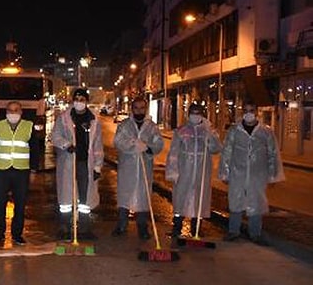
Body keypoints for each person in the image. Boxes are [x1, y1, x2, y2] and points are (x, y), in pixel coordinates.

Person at [218, 100, 284, 246]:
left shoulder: (266, 132)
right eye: (246, 110)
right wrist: (225, 173)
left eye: (251, 110)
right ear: (242, 112)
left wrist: (273, 176)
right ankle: (233, 231)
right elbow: (227, 152)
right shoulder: (234, 131)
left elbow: (273, 153)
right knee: (235, 201)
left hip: (257, 174)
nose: (249, 113)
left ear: (256, 112)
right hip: (237, 172)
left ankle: (255, 233)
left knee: (256, 202)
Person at [51, 88, 104, 240]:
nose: (79, 102)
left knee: (85, 197)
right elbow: (55, 136)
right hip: (69, 161)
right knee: (66, 197)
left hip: (86, 163)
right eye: (77, 99)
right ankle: (64, 227)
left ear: (87, 101)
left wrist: (98, 166)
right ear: (72, 101)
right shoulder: (64, 118)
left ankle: (85, 228)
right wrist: (66, 145)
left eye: (82, 99)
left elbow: (98, 145)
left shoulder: (93, 120)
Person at [0, 101, 40, 246]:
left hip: (21, 171)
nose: (13, 112)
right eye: (10, 110)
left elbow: (35, 150)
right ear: (6, 112)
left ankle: (17, 234)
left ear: (21, 112)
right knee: (0, 204)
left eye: (16, 110)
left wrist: (33, 170)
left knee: (20, 204)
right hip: (2, 170)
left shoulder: (28, 126)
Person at [166, 103, 222, 240]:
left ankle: (196, 228)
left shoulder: (208, 131)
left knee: (200, 199)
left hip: (202, 172)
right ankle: (177, 227)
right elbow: (173, 153)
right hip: (184, 171)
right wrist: (173, 171)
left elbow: (216, 148)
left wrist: (211, 137)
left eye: (198, 112)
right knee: (180, 198)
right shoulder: (181, 131)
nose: (195, 115)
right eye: (193, 112)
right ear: (188, 113)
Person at [112, 96, 164, 239]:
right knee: (125, 196)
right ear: (132, 109)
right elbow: (118, 142)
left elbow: (159, 144)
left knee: (143, 196)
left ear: (145, 109)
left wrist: (147, 148)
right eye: (136, 108)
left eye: (142, 108)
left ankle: (142, 227)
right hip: (127, 167)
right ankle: (122, 224)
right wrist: (133, 144)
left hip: (144, 168)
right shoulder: (124, 125)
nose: (139, 111)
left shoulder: (152, 127)